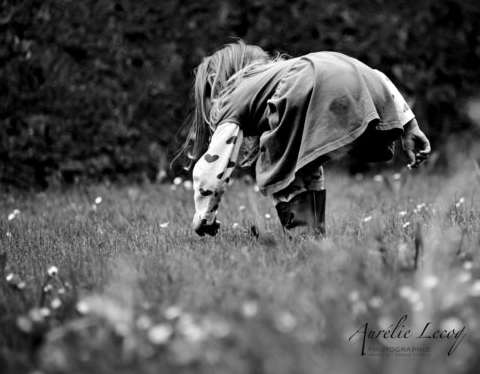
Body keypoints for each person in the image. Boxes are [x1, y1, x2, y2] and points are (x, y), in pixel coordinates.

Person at [179, 40, 431, 237]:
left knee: (277, 161)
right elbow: (379, 77)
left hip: (309, 80)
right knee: (303, 159)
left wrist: (204, 215)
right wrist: (410, 124)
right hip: (350, 69)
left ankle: (303, 234)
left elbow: (214, 165)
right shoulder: (276, 74)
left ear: (215, 84)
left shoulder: (232, 98)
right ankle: (314, 231)